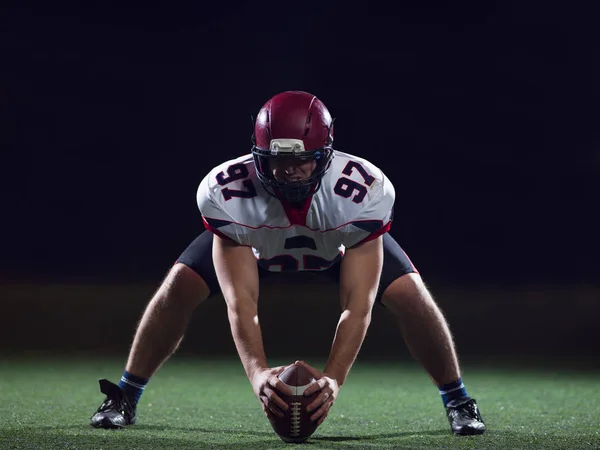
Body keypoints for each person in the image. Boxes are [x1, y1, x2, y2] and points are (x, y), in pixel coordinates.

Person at [90, 90, 486, 436]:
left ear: (326, 154)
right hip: (256, 244)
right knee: (177, 288)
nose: (287, 171)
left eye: (302, 160)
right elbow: (241, 303)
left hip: (338, 246)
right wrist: (258, 374)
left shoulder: (361, 192)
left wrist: (334, 379)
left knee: (413, 298)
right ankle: (125, 394)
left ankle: (458, 400)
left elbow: (358, 305)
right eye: (275, 160)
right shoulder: (229, 194)